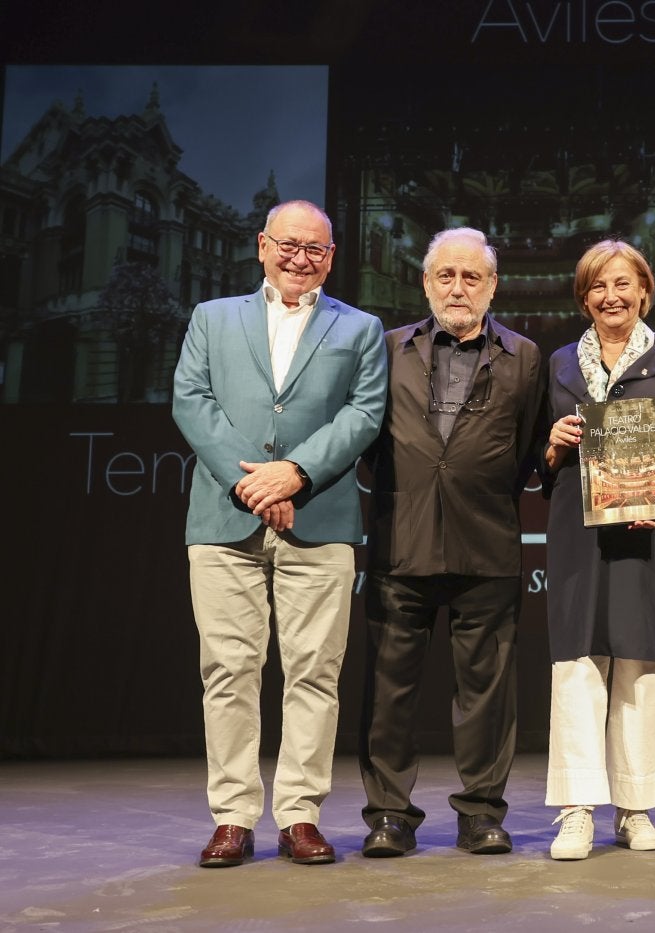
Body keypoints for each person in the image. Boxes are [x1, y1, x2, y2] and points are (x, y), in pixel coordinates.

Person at [172, 199, 387, 867]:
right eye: (289, 244)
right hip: (223, 518)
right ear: (262, 246)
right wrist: (253, 484)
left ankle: (299, 814)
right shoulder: (212, 317)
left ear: (332, 256)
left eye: (316, 249)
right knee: (229, 671)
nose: (301, 257)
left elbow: (366, 411)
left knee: (315, 674)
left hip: (319, 519)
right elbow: (191, 398)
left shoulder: (362, 327)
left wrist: (295, 473)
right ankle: (233, 816)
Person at [356, 227, 546, 858]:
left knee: (487, 694)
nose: (458, 287)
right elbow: (365, 444)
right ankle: (388, 815)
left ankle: (482, 814)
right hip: (399, 543)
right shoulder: (385, 349)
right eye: (446, 276)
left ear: (493, 286)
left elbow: (525, 454)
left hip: (485, 542)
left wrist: (472, 486)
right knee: (388, 692)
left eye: (472, 277)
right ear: (426, 282)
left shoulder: (524, 357)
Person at [539, 239, 655, 860]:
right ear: (584, 298)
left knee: (641, 667)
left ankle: (635, 805)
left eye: (623, 284)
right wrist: (554, 444)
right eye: (597, 287)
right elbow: (539, 453)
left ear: (644, 290)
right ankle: (577, 809)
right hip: (578, 535)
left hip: (652, 533)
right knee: (578, 666)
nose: (611, 297)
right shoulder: (560, 362)